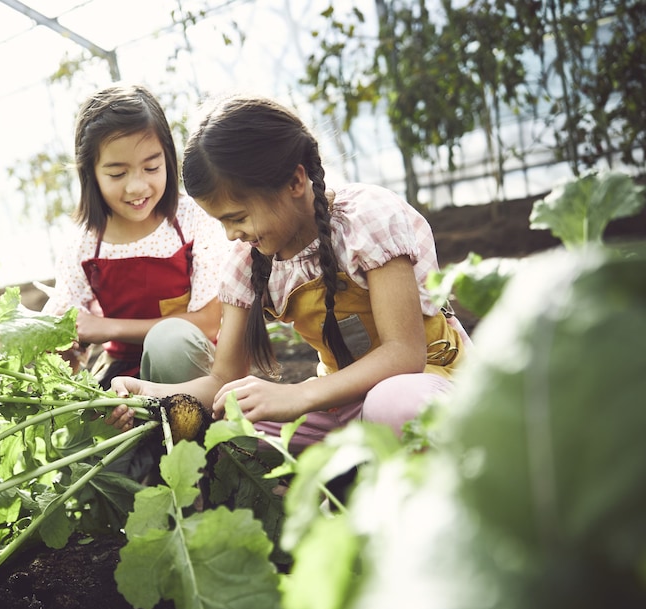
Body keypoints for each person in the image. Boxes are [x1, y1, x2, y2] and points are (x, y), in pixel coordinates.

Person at [107, 94, 472, 450]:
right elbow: (222, 378)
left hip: (425, 384)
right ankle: (344, 473)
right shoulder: (247, 261)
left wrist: (299, 394)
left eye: (237, 217)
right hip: (338, 405)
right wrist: (150, 392)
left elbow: (404, 353)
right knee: (228, 429)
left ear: (295, 182)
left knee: (393, 405)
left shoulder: (366, 220)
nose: (231, 234)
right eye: (221, 222)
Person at [42, 84, 232, 390]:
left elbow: (209, 321)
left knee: (168, 344)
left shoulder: (191, 220)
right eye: (117, 174)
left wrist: (106, 328)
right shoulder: (84, 245)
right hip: (122, 372)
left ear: (168, 159)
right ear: (90, 173)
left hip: (193, 368)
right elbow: (65, 328)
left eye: (151, 167)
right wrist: (67, 348)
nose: (136, 187)